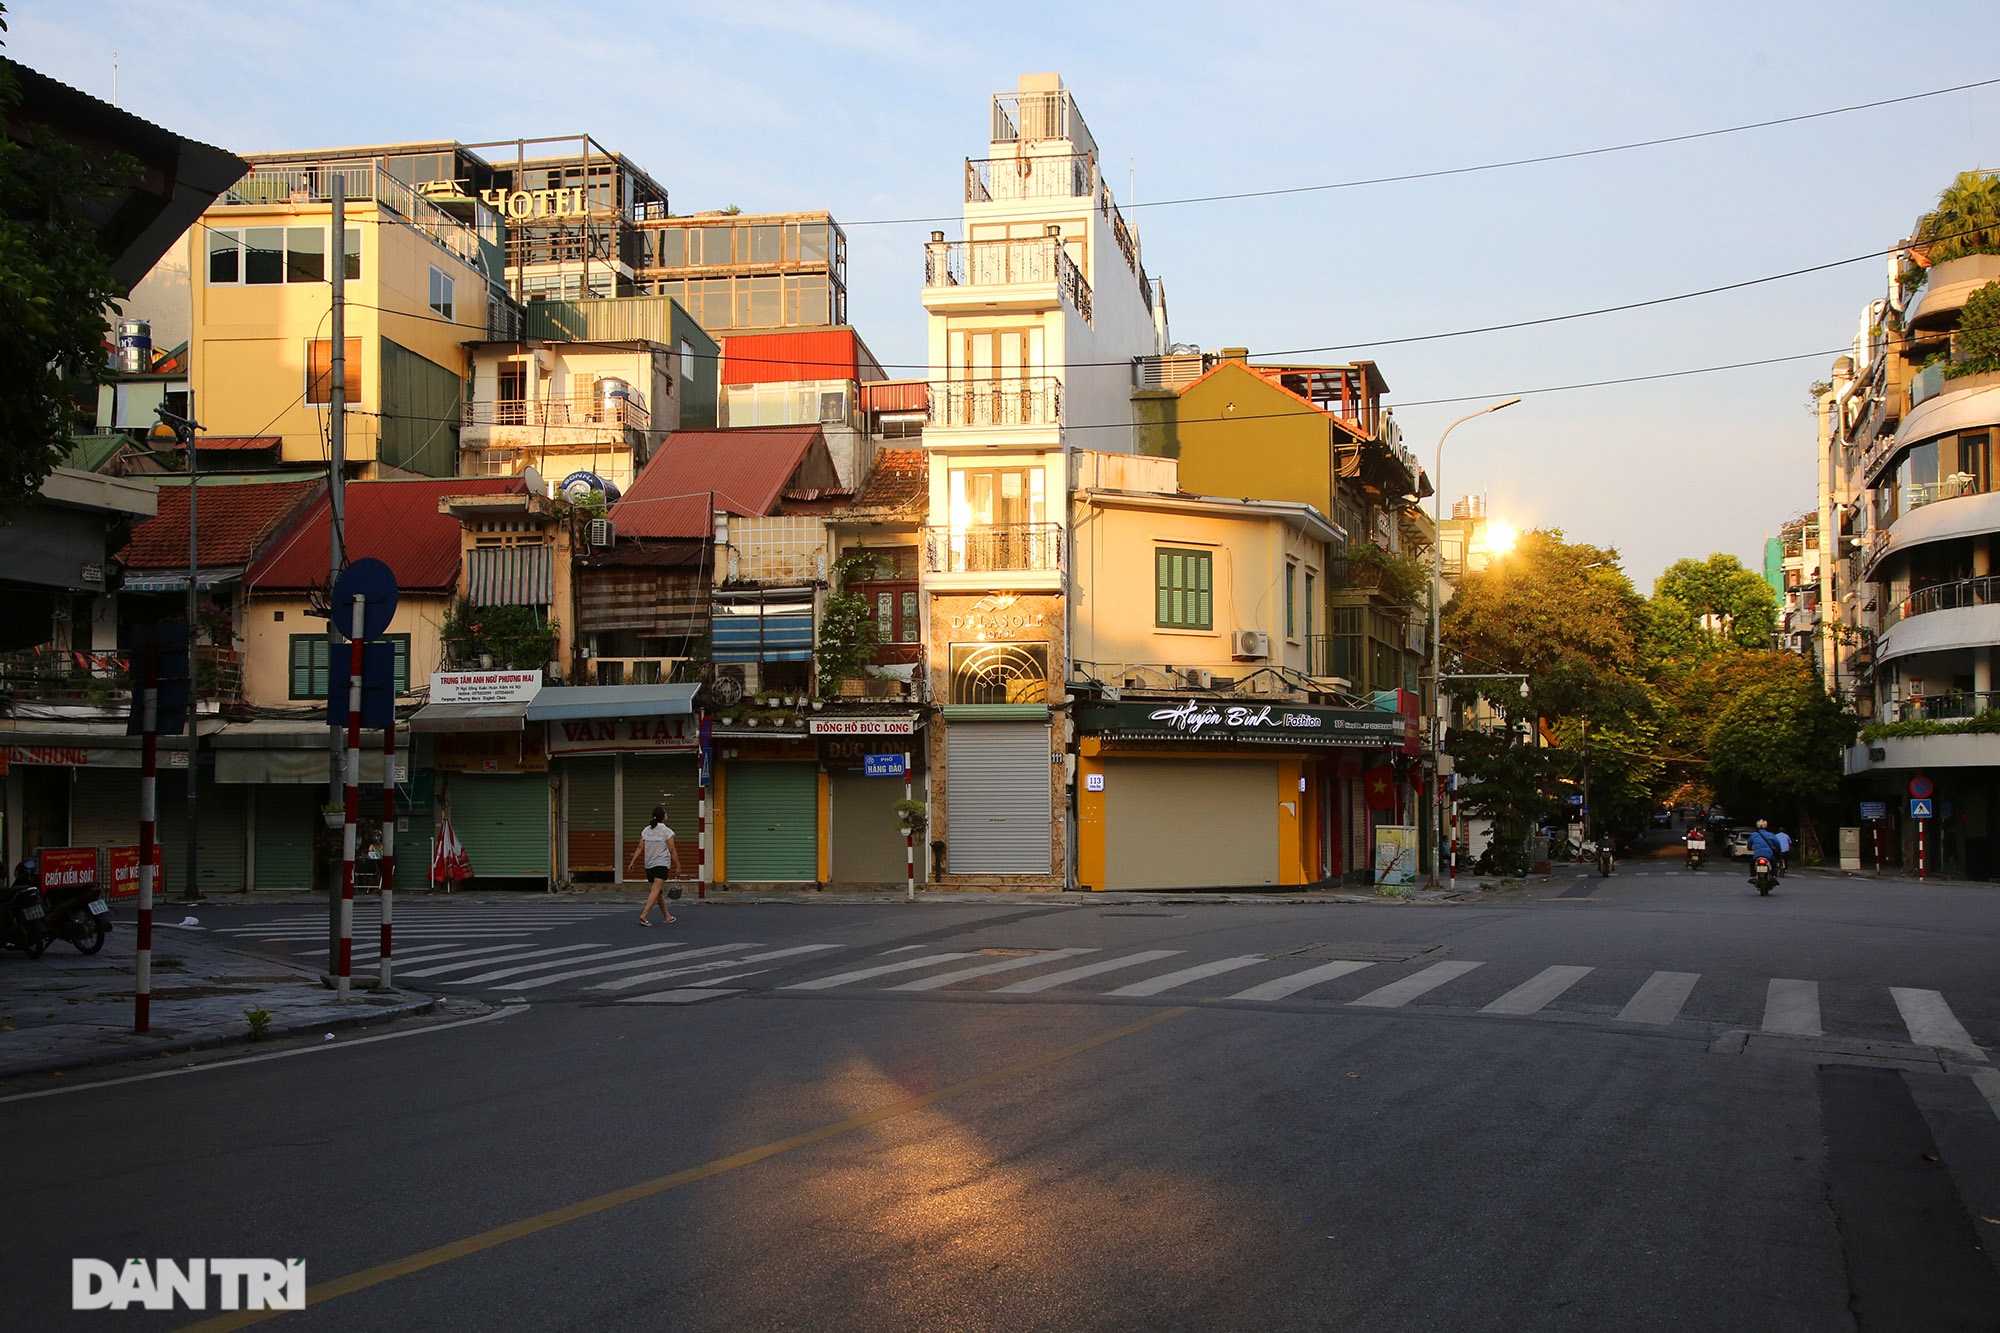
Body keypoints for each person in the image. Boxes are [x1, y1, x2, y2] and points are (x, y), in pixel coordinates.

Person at [628, 806, 679, 926]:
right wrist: (678, 865)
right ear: (663, 817)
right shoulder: (667, 831)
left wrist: (632, 861)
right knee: (655, 890)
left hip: (649, 865)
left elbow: (640, 847)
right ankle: (644, 915)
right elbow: (672, 849)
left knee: (658, 892)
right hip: (661, 864)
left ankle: (667, 916)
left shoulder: (646, 830)